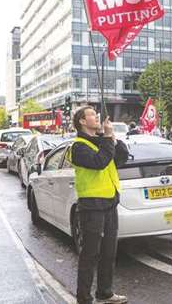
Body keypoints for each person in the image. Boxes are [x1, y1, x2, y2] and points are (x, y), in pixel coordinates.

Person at [68, 106, 129, 304]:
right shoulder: (78, 147)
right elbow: (99, 162)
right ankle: (84, 299)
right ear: (82, 122)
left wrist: (112, 138)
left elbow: (120, 159)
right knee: (90, 254)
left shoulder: (102, 141)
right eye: (92, 115)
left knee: (109, 252)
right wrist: (107, 140)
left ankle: (105, 292)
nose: (96, 117)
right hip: (91, 206)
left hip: (110, 202)